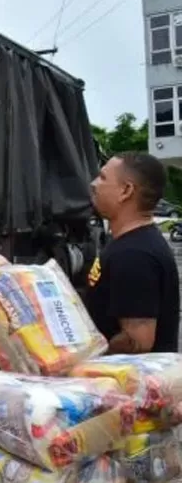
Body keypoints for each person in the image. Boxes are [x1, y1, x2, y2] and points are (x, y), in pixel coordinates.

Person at [85, 151, 180, 353]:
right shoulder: (128, 244)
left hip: (129, 381)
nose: (94, 183)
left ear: (126, 191)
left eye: (102, 177)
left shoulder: (134, 255)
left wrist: (84, 354)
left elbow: (138, 341)